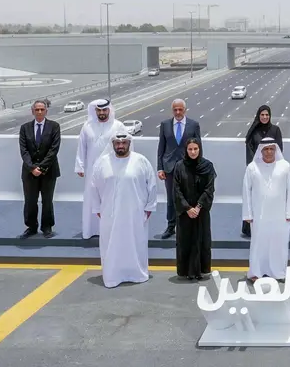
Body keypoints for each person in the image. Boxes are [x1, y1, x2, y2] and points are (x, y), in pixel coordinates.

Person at [87, 133, 159, 288]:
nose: (120, 146)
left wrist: (149, 207)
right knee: (111, 245)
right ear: (113, 144)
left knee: (135, 243)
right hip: (109, 214)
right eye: (117, 143)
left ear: (129, 143)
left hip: (136, 213)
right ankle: (112, 276)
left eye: (123, 143)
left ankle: (137, 274)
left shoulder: (141, 161)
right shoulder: (102, 162)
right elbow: (93, 187)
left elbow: (151, 185)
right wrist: (98, 208)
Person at [242, 137, 290, 282]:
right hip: (259, 214)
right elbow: (246, 191)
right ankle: (256, 272)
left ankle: (278, 272)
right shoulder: (252, 168)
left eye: (272, 149)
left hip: (280, 215)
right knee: (259, 243)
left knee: (278, 244)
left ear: (276, 150)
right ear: (261, 150)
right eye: (266, 149)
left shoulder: (285, 166)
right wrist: (247, 214)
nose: (269, 152)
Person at [75, 99, 125, 239]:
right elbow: (81, 147)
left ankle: (112, 230)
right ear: (95, 111)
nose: (102, 113)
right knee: (92, 198)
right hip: (92, 170)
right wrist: (80, 166)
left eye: (104, 110)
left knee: (111, 198)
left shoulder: (118, 126)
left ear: (109, 110)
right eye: (99, 110)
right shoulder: (87, 126)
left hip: (113, 169)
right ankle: (91, 230)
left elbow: (127, 147)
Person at [156, 98, 202, 240]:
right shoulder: (165, 125)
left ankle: (187, 228)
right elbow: (161, 147)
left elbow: (199, 147)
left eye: (180, 109)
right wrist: (160, 168)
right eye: (175, 109)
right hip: (169, 168)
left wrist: (198, 167)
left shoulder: (193, 125)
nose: (177, 112)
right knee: (171, 198)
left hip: (187, 167)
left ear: (185, 110)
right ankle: (171, 227)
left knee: (188, 197)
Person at [173, 138, 217, 280]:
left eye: (195, 149)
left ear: (200, 149)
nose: (193, 152)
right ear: (186, 150)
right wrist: (187, 208)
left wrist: (198, 207)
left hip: (201, 211)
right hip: (185, 213)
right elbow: (176, 190)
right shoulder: (179, 166)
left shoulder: (208, 166)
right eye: (190, 149)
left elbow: (209, 189)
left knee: (202, 240)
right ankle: (186, 271)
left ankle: (202, 270)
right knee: (185, 240)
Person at [19, 99, 61, 239]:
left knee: (47, 200)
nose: (39, 112)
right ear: (32, 111)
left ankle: (47, 226)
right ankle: (31, 227)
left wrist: (41, 167)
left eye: (42, 109)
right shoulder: (25, 128)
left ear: (46, 111)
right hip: (29, 172)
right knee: (30, 200)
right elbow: (24, 150)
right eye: (36, 109)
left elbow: (54, 149)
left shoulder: (54, 126)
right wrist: (32, 168)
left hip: (49, 171)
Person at [243, 104, 283, 238]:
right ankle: (251, 227)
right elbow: (249, 151)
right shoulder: (254, 131)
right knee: (255, 198)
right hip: (257, 172)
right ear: (258, 116)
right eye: (262, 115)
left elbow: (279, 150)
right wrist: (255, 167)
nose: (265, 117)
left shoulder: (275, 130)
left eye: (267, 115)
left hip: (272, 170)